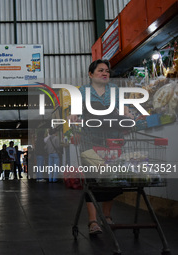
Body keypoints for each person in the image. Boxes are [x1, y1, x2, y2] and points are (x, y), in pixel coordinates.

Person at [70, 59, 132, 234]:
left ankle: (107, 216)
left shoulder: (114, 90)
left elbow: (124, 108)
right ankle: (92, 222)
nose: (105, 73)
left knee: (110, 179)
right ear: (91, 74)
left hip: (113, 140)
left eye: (107, 71)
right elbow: (75, 109)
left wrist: (129, 117)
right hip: (90, 141)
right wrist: (74, 115)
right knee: (93, 180)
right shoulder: (83, 91)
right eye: (100, 71)